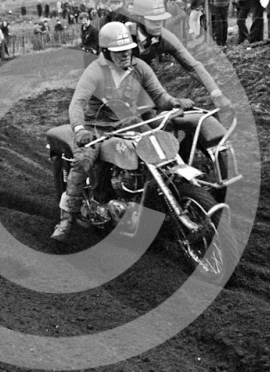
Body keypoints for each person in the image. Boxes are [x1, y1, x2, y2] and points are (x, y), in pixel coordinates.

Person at [50, 21, 195, 242]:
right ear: (106, 52)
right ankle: (66, 219)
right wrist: (80, 129)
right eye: (119, 52)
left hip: (128, 122)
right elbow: (77, 103)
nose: (125, 54)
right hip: (97, 127)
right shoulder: (95, 71)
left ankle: (160, 200)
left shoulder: (140, 67)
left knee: (160, 150)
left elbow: (159, 96)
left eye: (128, 49)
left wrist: (173, 102)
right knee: (83, 160)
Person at [108, 0, 233, 165]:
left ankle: (178, 159)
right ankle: (102, 188)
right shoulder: (123, 36)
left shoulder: (164, 36)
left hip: (145, 81)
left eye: (161, 19)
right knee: (116, 136)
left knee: (184, 119)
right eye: (153, 20)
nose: (159, 25)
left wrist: (215, 93)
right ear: (139, 18)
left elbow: (193, 65)